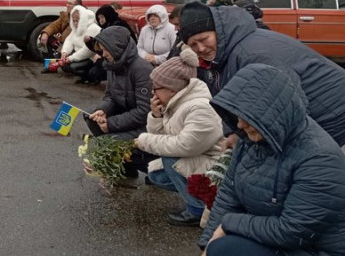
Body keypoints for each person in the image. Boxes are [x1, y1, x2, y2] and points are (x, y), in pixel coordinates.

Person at [199, 64, 345, 256]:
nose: (240, 124)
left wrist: (229, 224)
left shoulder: (319, 159)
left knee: (225, 249)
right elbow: (229, 195)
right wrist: (206, 244)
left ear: (271, 114)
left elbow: (292, 231)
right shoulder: (254, 137)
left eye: (247, 117)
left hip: (314, 249)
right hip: (278, 237)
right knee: (216, 247)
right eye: (237, 116)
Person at [179, 1, 345, 148]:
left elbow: (287, 104)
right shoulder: (226, 56)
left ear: (218, 32)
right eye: (193, 45)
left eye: (204, 39)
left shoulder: (251, 54)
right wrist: (235, 132)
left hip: (332, 112)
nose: (200, 48)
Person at [135, 48, 224, 227]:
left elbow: (184, 145)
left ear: (172, 89)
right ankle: (196, 198)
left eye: (156, 89)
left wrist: (144, 141)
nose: (153, 93)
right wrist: (156, 116)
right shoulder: (178, 102)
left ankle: (197, 209)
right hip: (199, 160)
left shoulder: (200, 107)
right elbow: (162, 137)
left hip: (215, 165)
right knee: (157, 176)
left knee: (169, 156)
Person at [84, 26, 155, 175]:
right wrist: (103, 110)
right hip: (128, 114)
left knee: (108, 140)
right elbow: (110, 96)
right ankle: (123, 166)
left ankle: (132, 165)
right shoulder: (113, 65)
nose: (103, 55)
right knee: (91, 116)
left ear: (116, 47)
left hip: (147, 125)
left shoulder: (142, 69)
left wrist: (111, 124)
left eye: (105, 50)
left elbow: (144, 112)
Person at [82, 4, 137, 83]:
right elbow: (101, 45)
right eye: (99, 18)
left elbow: (113, 47)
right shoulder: (107, 26)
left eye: (102, 17)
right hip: (114, 56)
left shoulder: (117, 26)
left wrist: (100, 55)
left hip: (124, 58)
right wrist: (89, 41)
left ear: (108, 15)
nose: (101, 20)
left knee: (95, 71)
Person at [58, 5, 101, 80]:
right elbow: (69, 40)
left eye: (77, 21)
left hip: (91, 57)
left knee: (73, 67)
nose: (75, 23)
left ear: (83, 19)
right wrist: (64, 52)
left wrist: (71, 58)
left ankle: (90, 77)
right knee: (64, 65)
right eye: (73, 21)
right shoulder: (77, 28)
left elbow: (88, 51)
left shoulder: (92, 28)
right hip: (81, 55)